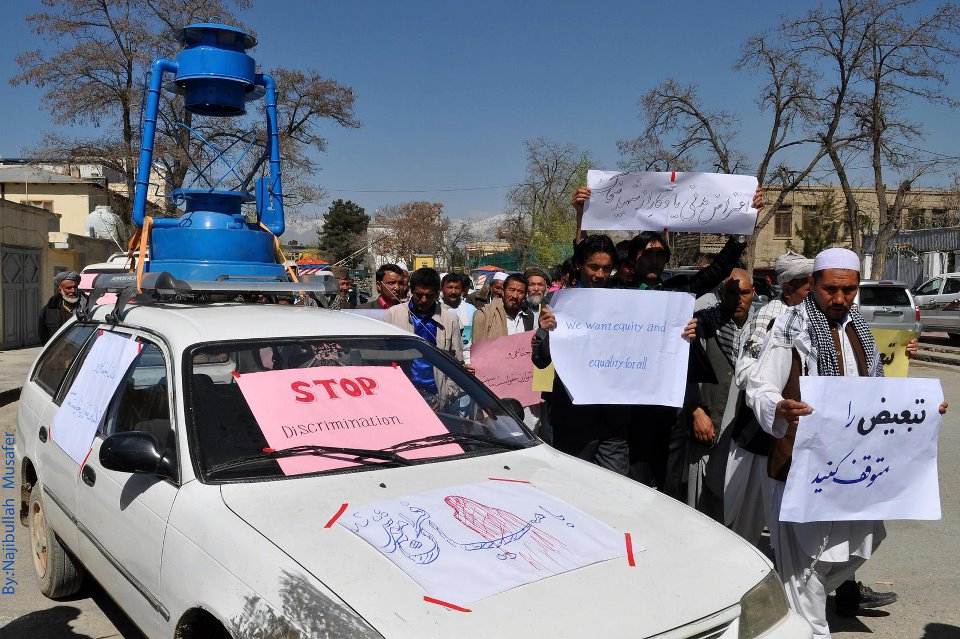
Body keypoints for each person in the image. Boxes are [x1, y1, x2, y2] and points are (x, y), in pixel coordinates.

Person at [744, 247, 948, 638]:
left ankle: (799, 607)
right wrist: (777, 406)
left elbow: (877, 396)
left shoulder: (859, 330)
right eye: (830, 290)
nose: (839, 298)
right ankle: (810, 628)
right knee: (803, 565)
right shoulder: (791, 326)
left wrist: (922, 410)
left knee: (862, 542)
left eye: (849, 290)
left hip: (854, 468)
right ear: (812, 284)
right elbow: (759, 384)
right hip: (800, 466)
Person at [724, 251, 813, 545]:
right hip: (761, 438)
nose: (813, 294)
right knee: (745, 527)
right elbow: (745, 374)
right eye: (808, 288)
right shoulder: (768, 319)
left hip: (801, 438)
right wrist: (775, 392)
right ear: (787, 288)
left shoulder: (816, 319)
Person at [687, 269, 755, 511]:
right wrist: (696, 412)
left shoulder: (761, 329)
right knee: (700, 503)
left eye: (744, 293)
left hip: (742, 434)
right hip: (708, 426)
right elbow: (687, 374)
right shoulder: (703, 325)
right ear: (720, 293)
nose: (738, 299)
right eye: (731, 293)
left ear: (753, 292)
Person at [384, 268, 469, 402]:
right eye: (419, 295)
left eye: (429, 296)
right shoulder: (393, 315)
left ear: (437, 293)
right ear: (411, 291)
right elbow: (383, 359)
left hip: (437, 398)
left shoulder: (450, 320)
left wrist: (447, 394)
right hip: (401, 395)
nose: (423, 300)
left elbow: (457, 363)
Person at [472, 274, 535, 343]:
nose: (515, 296)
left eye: (520, 292)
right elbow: (477, 347)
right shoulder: (485, 315)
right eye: (512, 290)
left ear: (525, 296)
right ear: (503, 291)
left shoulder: (528, 316)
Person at [440, 272, 477, 363]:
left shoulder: (471, 310)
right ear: (442, 288)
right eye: (450, 287)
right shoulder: (436, 310)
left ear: (462, 290)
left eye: (457, 288)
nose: (453, 292)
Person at [40, 271, 81, 341]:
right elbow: (43, 336)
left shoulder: (87, 307)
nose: (73, 290)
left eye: (75, 287)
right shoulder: (49, 310)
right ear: (60, 290)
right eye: (69, 288)